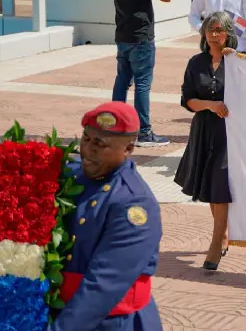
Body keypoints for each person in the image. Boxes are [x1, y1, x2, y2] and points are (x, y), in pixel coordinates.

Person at [47, 102, 162, 331]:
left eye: (100, 144)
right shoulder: (74, 174)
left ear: (128, 149)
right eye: (86, 139)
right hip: (63, 309)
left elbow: (103, 286)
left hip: (110, 321)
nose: (88, 150)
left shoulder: (134, 205)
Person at [175, 12, 236, 271]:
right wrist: (211, 105)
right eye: (210, 30)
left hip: (229, 132)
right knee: (211, 187)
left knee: (220, 185)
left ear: (228, 33)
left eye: (219, 30)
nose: (214, 35)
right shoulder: (195, 62)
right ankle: (222, 234)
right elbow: (188, 99)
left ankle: (214, 243)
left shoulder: (236, 62)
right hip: (203, 130)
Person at [108, 0, 174, 147]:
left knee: (122, 81)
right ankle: (144, 132)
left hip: (123, 36)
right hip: (141, 38)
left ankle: (115, 126)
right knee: (143, 84)